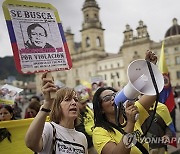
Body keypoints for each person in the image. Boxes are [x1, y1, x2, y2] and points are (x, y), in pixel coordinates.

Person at [92, 50, 159, 154]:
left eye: (114, 95)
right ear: (101, 110)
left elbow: (153, 92)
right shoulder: (100, 132)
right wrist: (131, 123)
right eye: (107, 98)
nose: (112, 99)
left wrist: (149, 69)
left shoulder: (132, 111)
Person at [25, 73, 88, 154]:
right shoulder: (49, 128)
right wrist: (47, 103)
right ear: (57, 106)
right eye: (67, 99)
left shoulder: (82, 138)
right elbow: (31, 144)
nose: (73, 103)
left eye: (75, 100)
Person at [75, 88, 97, 154]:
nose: (84, 105)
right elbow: (80, 131)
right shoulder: (76, 115)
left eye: (85, 102)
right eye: (82, 103)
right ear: (77, 103)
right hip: (87, 144)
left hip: (95, 139)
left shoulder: (88, 110)